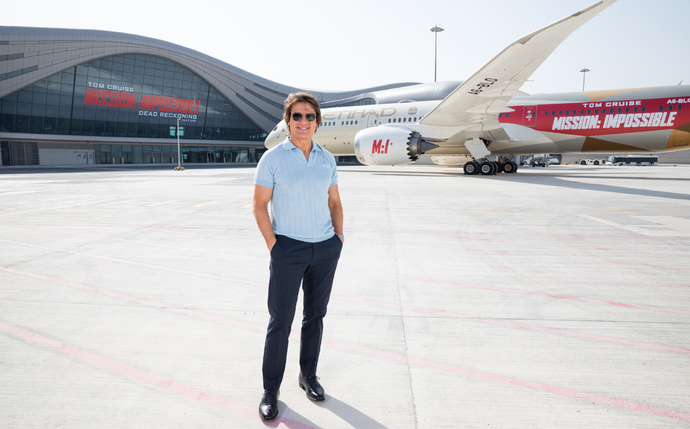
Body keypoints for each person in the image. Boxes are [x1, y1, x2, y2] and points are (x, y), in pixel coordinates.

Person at [252, 92, 344, 421]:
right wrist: (274, 245)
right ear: (287, 121)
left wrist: (338, 238)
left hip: (325, 249)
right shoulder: (273, 158)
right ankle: (270, 390)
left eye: (309, 116)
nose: (303, 121)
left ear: (317, 122)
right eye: (297, 116)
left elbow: (335, 202)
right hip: (288, 249)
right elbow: (259, 205)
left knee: (315, 316)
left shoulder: (326, 159)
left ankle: (308, 376)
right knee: (280, 322)